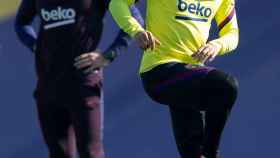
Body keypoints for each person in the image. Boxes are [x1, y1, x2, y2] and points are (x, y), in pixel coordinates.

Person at [104, 0, 239, 157]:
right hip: (160, 71)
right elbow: (117, 3)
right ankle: (211, 152)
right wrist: (136, 31)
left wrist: (217, 45)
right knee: (226, 86)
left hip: (190, 79)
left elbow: (232, 34)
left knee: (193, 153)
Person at [14, 0, 143, 158]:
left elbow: (134, 17)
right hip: (48, 86)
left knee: (91, 153)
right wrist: (35, 45)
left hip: (84, 84)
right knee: (59, 154)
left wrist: (108, 55)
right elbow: (21, 22)